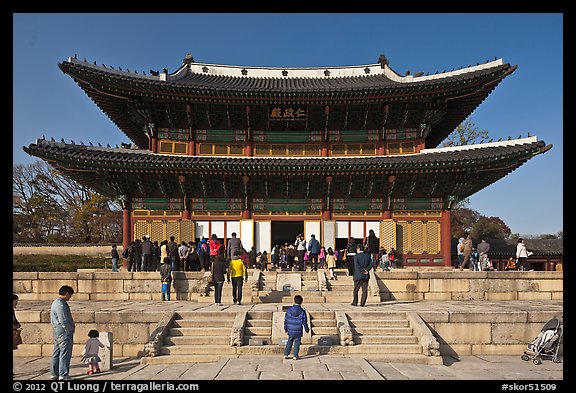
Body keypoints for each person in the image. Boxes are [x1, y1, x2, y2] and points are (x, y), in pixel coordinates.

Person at [50, 285, 75, 380]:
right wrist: (69, 330)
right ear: (67, 293)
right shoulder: (60, 304)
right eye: (70, 295)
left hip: (57, 331)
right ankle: (63, 374)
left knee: (57, 352)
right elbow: (63, 320)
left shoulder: (56, 302)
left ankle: (54, 373)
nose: (70, 298)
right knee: (64, 353)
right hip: (63, 331)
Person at [283, 295, 309, 360]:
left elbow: (286, 319)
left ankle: (286, 354)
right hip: (298, 329)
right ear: (301, 302)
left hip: (290, 329)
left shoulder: (289, 310)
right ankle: (295, 355)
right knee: (297, 342)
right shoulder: (302, 311)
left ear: (294, 301)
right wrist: (306, 329)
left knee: (289, 341)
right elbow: (304, 321)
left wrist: (285, 328)